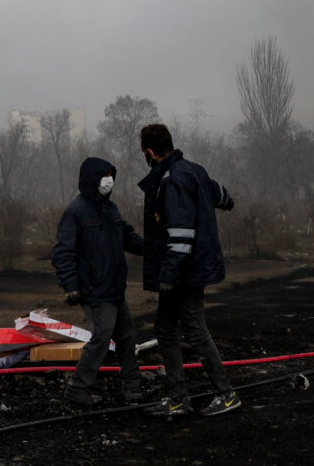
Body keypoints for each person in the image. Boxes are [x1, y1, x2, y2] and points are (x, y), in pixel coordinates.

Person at [137, 123, 239, 417]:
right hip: (190, 266)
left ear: (149, 151)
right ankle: (178, 398)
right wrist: (222, 201)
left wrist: (168, 275)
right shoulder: (194, 170)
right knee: (165, 329)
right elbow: (222, 196)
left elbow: (181, 234)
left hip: (185, 270)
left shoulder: (171, 180)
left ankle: (226, 395)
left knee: (195, 331)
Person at [51, 157, 145, 406]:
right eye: (105, 176)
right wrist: (70, 286)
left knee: (126, 337)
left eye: (111, 176)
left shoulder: (110, 209)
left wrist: (152, 247)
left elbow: (128, 236)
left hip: (115, 288)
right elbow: (63, 252)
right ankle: (77, 389)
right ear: (92, 180)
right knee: (101, 338)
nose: (109, 181)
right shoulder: (76, 212)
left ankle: (131, 384)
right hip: (94, 290)